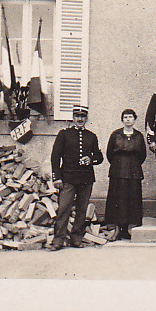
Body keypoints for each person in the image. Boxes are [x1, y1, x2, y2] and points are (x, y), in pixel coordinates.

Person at [49, 104, 104, 250]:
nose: (80, 119)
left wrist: (91, 159)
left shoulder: (91, 136)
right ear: (73, 118)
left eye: (83, 117)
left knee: (82, 209)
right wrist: (57, 177)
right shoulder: (64, 134)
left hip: (86, 179)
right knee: (64, 208)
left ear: (86, 118)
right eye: (77, 116)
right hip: (67, 178)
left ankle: (76, 238)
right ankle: (58, 240)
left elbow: (99, 156)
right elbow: (55, 157)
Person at [104, 108, 147, 240]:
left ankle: (126, 229)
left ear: (134, 119)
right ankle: (117, 229)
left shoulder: (139, 136)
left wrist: (132, 164)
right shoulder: (115, 134)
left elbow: (142, 155)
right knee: (118, 200)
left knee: (131, 200)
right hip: (118, 171)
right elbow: (109, 154)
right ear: (122, 120)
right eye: (125, 117)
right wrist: (119, 164)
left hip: (133, 172)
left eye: (130, 117)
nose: (128, 120)